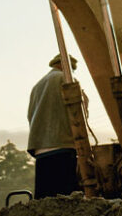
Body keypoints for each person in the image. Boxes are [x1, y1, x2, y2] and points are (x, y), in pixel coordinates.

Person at [26, 54, 81, 198]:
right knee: (67, 200)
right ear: (65, 66)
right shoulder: (67, 79)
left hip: (40, 150)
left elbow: (30, 115)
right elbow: (79, 111)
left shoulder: (37, 86)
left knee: (46, 202)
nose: (72, 72)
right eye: (72, 69)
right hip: (63, 145)